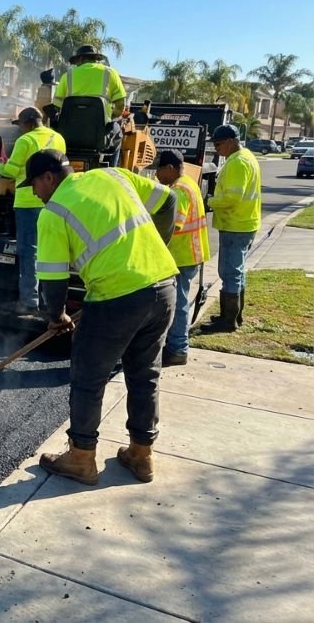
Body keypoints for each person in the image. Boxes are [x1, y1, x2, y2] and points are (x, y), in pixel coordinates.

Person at [24, 149, 178, 485]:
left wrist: (56, 316)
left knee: (87, 376)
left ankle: (80, 458)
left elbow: (52, 278)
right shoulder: (113, 175)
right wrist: (158, 247)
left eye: (34, 184)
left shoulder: (54, 213)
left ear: (48, 177)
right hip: (164, 286)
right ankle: (141, 454)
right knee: (145, 374)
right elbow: (169, 200)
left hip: (116, 298)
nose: (35, 193)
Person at [0, 107, 67, 314]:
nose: (19, 130)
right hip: (54, 201)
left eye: (20, 125)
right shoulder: (59, 138)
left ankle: (28, 302)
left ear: (28, 123)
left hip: (28, 203)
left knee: (29, 252)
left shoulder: (25, 141)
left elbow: (10, 171)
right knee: (51, 252)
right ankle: (48, 302)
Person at [199, 125, 261, 332]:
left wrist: (209, 201)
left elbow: (233, 197)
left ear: (231, 141)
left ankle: (228, 320)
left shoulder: (238, 163)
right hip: (243, 223)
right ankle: (234, 315)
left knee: (230, 272)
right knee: (237, 272)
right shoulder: (244, 157)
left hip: (236, 224)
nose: (216, 149)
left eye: (218, 144)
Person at [155, 150, 211, 366]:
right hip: (190, 254)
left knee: (178, 304)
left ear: (169, 168)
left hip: (182, 255)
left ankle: (178, 349)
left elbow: (173, 226)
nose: (157, 176)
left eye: (159, 171)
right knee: (179, 301)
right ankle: (175, 344)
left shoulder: (178, 191)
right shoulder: (189, 182)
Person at [50, 45, 127, 120]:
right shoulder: (110, 72)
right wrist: (111, 117)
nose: (76, 64)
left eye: (76, 62)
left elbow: (57, 105)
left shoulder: (67, 75)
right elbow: (120, 105)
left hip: (72, 126)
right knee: (117, 128)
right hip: (102, 128)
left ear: (80, 59)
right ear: (96, 59)